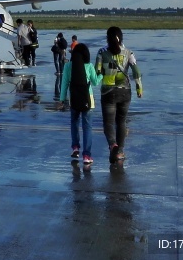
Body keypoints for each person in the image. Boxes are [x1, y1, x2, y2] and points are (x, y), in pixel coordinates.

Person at [95, 26, 142, 163]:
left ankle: (112, 145)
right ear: (121, 37)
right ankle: (120, 151)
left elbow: (97, 72)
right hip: (125, 92)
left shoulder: (101, 52)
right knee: (121, 121)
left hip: (108, 92)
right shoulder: (129, 52)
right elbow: (136, 72)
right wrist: (139, 88)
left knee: (108, 123)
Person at [59, 43, 101, 164]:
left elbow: (64, 84)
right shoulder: (89, 66)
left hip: (74, 100)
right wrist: (101, 75)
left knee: (74, 124)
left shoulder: (68, 66)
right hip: (88, 101)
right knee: (87, 127)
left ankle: (75, 148)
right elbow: (95, 82)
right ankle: (87, 156)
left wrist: (62, 99)